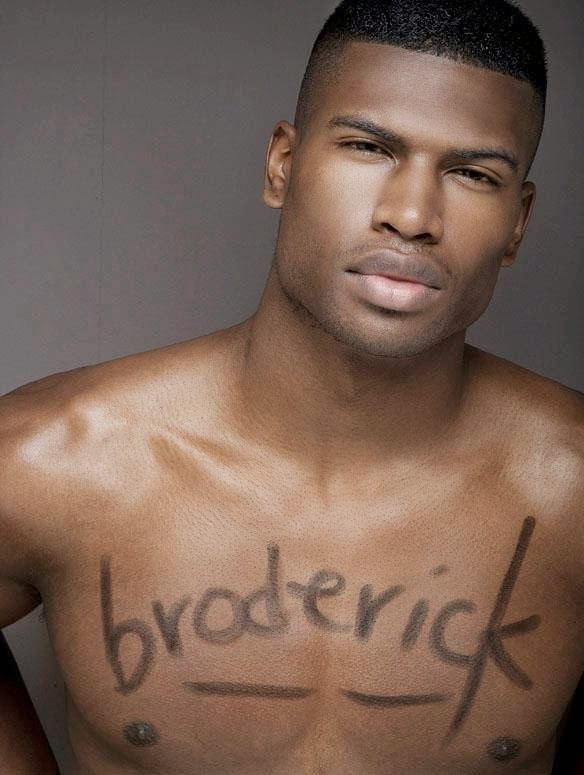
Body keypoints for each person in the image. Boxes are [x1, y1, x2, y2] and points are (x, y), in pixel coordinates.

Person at [1, 0, 583, 772]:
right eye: (368, 147)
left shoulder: (570, 492)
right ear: (283, 163)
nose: (411, 215)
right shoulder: (57, 458)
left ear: (517, 223)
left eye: (474, 174)